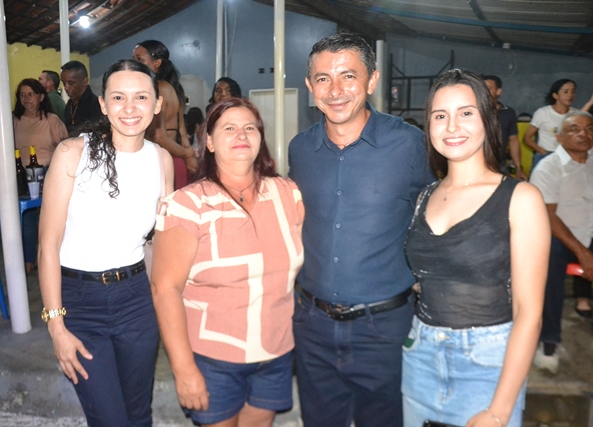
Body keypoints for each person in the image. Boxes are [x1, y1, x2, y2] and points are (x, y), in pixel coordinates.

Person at [288, 33, 434, 427]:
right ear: (309, 86)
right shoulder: (300, 149)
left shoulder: (409, 145)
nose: (335, 91)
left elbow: (435, 216)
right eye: (323, 79)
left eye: (348, 76)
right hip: (313, 326)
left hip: (384, 329)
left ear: (372, 80)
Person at [402, 69, 550, 427]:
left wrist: (498, 411)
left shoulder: (520, 198)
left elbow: (529, 313)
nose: (452, 126)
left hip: (487, 362)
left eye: (466, 113)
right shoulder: (424, 196)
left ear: (487, 118)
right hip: (419, 354)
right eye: (440, 116)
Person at [151, 97, 304, 426]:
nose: (241, 135)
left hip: (275, 352)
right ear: (209, 141)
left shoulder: (287, 194)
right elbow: (164, 289)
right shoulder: (188, 204)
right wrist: (183, 368)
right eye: (229, 128)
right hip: (212, 359)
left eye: (250, 128)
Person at [38, 59, 174, 427]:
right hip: (80, 303)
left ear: (157, 104)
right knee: (110, 419)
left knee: (138, 414)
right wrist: (55, 326)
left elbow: (158, 244)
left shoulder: (161, 160)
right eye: (118, 97)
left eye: (141, 97)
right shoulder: (72, 153)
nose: (130, 108)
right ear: (103, 103)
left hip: (136, 298)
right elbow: (47, 245)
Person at [530, 111, 593, 374]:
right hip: (561, 237)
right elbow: (548, 217)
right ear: (559, 137)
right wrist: (583, 253)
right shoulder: (549, 167)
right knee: (548, 261)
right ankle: (548, 339)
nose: (583, 134)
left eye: (589, 128)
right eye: (574, 129)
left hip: (590, 233)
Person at [13, 78, 68, 274]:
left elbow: (65, 147)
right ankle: (29, 260)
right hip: (21, 175)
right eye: (22, 95)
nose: (26, 99)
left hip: (47, 173)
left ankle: (55, 259)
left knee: (51, 218)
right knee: (26, 218)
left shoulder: (51, 120)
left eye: (31, 94)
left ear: (41, 97)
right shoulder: (14, 121)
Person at [133, 40, 197, 188]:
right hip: (176, 162)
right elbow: (182, 132)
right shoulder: (173, 88)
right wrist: (188, 156)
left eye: (140, 60)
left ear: (157, 63)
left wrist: (187, 154)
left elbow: (159, 136)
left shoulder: (158, 90)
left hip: (161, 163)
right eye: (133, 59)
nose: (134, 64)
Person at [524, 79, 579, 169]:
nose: (570, 95)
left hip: (568, 156)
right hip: (545, 156)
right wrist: (543, 152)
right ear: (555, 95)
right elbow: (527, 138)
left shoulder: (576, 114)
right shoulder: (542, 112)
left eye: (573, 92)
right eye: (566, 92)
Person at [482, 74, 527, 179]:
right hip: (474, 164)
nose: (484, 92)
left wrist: (518, 168)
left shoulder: (508, 113)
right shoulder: (472, 111)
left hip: (499, 164)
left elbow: (513, 140)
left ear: (498, 91)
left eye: (488, 88)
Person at [60, 60, 104, 133]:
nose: (66, 88)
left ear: (85, 81)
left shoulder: (95, 105)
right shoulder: (70, 104)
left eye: (71, 83)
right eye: (64, 83)